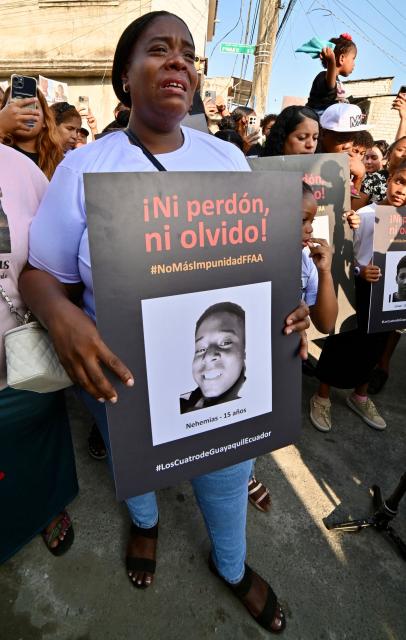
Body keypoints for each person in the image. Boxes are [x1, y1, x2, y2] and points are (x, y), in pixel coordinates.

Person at [20, 11, 310, 634]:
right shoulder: (83, 168)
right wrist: (60, 316)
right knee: (137, 472)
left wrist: (288, 304)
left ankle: (231, 567)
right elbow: (39, 276)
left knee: (227, 477)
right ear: (126, 77)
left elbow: (261, 267)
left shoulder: (227, 158)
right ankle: (146, 524)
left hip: (225, 375)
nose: (179, 61)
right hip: (123, 379)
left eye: (188, 53)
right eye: (159, 50)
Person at [0, 144, 78, 564]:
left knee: (36, 446)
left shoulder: (19, 168)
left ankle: (45, 509)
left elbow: (58, 255)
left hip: (24, 358)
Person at [310, 161, 406, 432]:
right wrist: (362, 271)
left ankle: (360, 395)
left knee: (376, 346)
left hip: (389, 294)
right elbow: (345, 253)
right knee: (342, 340)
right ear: (388, 179)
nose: (401, 190)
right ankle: (322, 396)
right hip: (357, 290)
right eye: (399, 181)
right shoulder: (365, 214)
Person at [180, 302, 246, 414]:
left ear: (245, 351)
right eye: (200, 350)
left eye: (225, 342)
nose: (208, 356)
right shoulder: (181, 403)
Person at [0, 87, 63, 179]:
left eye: (32, 107)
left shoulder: (60, 162)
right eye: (15, 106)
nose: (24, 113)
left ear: (45, 121)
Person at [306, 33, 357, 114]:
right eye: (353, 59)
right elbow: (330, 85)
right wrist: (331, 60)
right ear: (341, 58)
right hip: (316, 122)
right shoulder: (323, 76)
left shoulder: (337, 82)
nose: (354, 64)